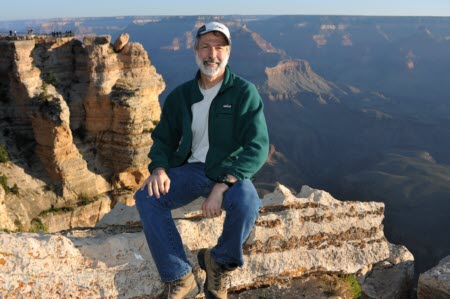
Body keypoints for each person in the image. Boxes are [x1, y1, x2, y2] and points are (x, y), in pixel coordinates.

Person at [134, 21, 269, 299]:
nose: (212, 54)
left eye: (219, 48)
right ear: (195, 50)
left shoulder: (244, 93)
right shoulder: (181, 96)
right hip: (190, 171)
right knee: (147, 198)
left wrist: (221, 186)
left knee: (247, 202)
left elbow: (257, 147)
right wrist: (159, 168)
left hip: (229, 172)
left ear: (228, 53)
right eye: (206, 46)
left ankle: (218, 261)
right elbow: (163, 139)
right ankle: (180, 276)